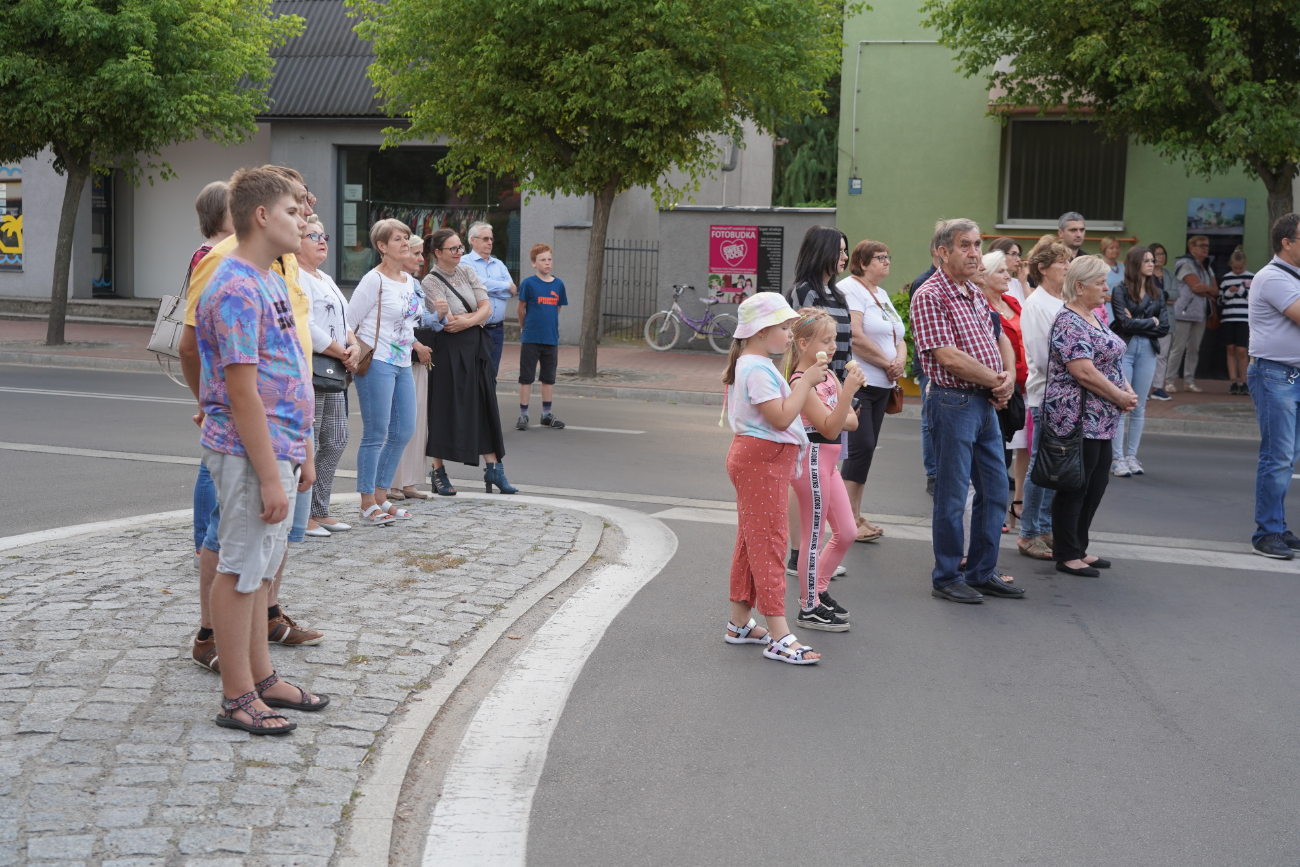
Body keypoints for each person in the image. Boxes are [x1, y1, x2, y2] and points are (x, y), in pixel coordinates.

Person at [193, 165, 328, 733]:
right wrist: (271, 474)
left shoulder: (272, 277)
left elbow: (292, 368)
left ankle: (263, 677)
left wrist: (304, 449)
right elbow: (242, 392)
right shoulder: (234, 285)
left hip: (281, 447)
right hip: (250, 452)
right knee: (240, 567)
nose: (305, 220)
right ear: (262, 216)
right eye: (295, 212)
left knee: (262, 568)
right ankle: (237, 695)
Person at [910, 218, 1024, 603]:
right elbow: (947, 357)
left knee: (995, 491)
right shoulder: (930, 295)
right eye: (965, 245)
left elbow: (997, 337)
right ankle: (946, 577)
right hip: (953, 401)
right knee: (953, 494)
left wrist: (1005, 378)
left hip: (984, 402)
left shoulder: (972, 291)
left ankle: (980, 572)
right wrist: (998, 380)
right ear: (943, 252)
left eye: (977, 244)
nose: (975, 252)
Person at [721, 293, 824, 664]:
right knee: (769, 542)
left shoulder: (752, 363)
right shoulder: (758, 368)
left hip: (759, 460)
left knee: (752, 541)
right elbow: (781, 417)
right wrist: (806, 382)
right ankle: (779, 634)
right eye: (783, 327)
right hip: (761, 462)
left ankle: (739, 622)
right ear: (763, 331)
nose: (788, 333)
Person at [1044, 256, 1138, 576]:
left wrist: (1124, 389)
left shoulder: (1095, 314)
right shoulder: (1069, 321)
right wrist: (1119, 395)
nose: (1106, 287)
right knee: (1075, 486)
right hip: (1077, 417)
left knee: (1095, 484)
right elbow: (1083, 371)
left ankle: (1079, 547)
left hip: (1101, 418)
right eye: (1099, 281)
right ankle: (1066, 552)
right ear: (1079, 286)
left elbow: (1110, 360)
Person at [785, 309, 867, 631]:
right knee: (813, 536)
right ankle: (809, 606)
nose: (833, 347)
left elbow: (851, 422)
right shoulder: (801, 380)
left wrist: (840, 406)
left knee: (847, 532)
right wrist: (847, 394)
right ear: (804, 343)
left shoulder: (828, 375)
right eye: (826, 340)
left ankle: (818, 590)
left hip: (830, 465)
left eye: (834, 339)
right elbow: (832, 428)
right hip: (814, 463)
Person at [422, 228, 516, 494]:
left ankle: (494, 470)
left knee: (484, 405)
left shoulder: (468, 271)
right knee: (443, 409)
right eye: (453, 249)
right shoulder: (430, 281)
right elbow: (448, 322)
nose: (459, 253)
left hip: (476, 348)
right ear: (438, 253)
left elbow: (486, 307)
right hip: (448, 352)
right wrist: (475, 316)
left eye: (461, 247)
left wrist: (473, 318)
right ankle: (438, 472)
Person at [346, 218, 422, 525]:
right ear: (381, 247)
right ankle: (367, 503)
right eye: (398, 239)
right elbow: (349, 323)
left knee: (404, 429)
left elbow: (410, 323)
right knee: (376, 432)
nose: (406, 243)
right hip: (376, 360)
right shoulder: (373, 281)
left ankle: (381, 497)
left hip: (403, 361)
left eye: (406, 237)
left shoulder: (411, 281)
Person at [837, 239, 906, 542]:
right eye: (880, 257)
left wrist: (899, 361)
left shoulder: (881, 294)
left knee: (866, 450)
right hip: (861, 380)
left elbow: (899, 334)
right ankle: (845, 517)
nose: (887, 261)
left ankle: (854, 512)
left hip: (884, 383)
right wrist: (888, 363)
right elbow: (856, 336)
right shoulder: (850, 289)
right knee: (859, 446)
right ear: (862, 263)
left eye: (888, 256)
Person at [296, 216, 361, 535]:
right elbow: (305, 324)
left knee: (336, 439)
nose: (322, 241)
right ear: (297, 242)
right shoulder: (295, 276)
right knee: (311, 438)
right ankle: (302, 515)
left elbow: (345, 317)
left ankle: (321, 509)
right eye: (313, 236)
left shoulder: (324, 276)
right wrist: (340, 350)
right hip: (314, 365)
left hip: (335, 366)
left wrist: (353, 345)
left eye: (324, 235)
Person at [1246, 214, 1300, 560]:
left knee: (1289, 457)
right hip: (1275, 375)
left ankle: (1277, 526)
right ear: (1287, 242)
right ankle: (1266, 532)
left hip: (1290, 375)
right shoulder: (1272, 277)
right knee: (1278, 457)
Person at [1017, 240, 1072, 561]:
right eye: (1061, 263)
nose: (1067, 267)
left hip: (1064, 394)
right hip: (1046, 395)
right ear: (1043, 268)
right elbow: (1040, 356)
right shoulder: (1037, 304)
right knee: (1043, 464)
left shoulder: (1060, 300)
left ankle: (1045, 525)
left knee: (1057, 465)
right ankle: (1028, 532)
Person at [391, 234, 448, 499]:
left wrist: (440, 314)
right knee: (397, 421)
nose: (421, 259)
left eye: (421, 254)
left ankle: (409, 480)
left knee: (416, 420)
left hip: (417, 359)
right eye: (416, 254)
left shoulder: (414, 284)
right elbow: (392, 322)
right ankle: (389, 482)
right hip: (397, 357)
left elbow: (423, 320)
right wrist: (416, 344)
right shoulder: (385, 281)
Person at [978, 250, 1029, 529]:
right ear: (983, 278)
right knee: (993, 458)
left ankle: (998, 513)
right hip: (995, 388)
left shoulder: (1011, 301)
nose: (1007, 275)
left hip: (1019, 388)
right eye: (1001, 271)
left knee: (1008, 452)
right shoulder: (982, 306)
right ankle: (989, 517)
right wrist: (1001, 382)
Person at [1109, 246, 1170, 476]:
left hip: (1149, 351)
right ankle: (1117, 459)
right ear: (1135, 264)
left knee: (1139, 405)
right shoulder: (1119, 290)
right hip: (1125, 348)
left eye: (1152, 260)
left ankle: (1132, 456)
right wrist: (1150, 322)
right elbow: (1123, 324)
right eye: (1146, 260)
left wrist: (1141, 321)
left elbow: (1163, 327)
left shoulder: (1158, 294)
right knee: (1122, 402)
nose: (1151, 263)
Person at [784, 225, 851, 380]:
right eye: (839, 252)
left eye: (845, 251)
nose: (845, 257)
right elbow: (804, 346)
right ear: (823, 253)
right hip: (815, 384)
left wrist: (845, 387)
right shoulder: (804, 292)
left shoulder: (839, 296)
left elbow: (847, 346)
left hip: (837, 386)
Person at [517, 243, 568, 430]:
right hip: (531, 338)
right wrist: (525, 327)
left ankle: (546, 414)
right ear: (533, 263)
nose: (547, 263)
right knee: (526, 377)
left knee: (548, 378)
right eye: (542, 260)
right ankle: (523, 415)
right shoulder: (529, 284)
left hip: (550, 339)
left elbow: (557, 308)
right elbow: (520, 308)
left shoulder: (558, 284)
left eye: (549, 259)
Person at [1166, 235, 1218, 394]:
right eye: (1201, 245)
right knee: (1178, 348)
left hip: (1200, 314)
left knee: (1194, 349)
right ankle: (1169, 381)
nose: (1205, 248)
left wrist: (1208, 290)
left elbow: (1216, 290)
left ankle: (1189, 381)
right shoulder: (1185, 264)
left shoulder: (1207, 267)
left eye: (1207, 245)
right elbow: (1195, 287)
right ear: (1192, 248)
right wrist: (1209, 291)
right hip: (1183, 313)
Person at [464, 221, 515, 376]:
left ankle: (489, 401)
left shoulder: (498, 264)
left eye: (491, 239)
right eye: (485, 239)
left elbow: (512, 290)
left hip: (497, 329)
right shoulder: (465, 262)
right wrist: (503, 285)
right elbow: (476, 285)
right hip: (477, 328)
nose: (490, 242)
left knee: (492, 373)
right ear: (473, 240)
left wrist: (486, 289)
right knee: (475, 374)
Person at [911, 241, 942, 495]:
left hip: (942, 365)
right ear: (938, 251)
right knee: (929, 419)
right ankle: (933, 474)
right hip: (928, 364)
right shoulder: (924, 283)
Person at [1219, 247, 1253, 395]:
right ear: (1231, 265)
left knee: (1242, 350)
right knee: (1230, 349)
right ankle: (1233, 381)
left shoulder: (1251, 277)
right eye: (1234, 268)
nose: (1237, 270)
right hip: (1228, 317)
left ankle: (1244, 381)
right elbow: (1220, 301)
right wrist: (1228, 293)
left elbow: (1253, 299)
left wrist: (1241, 291)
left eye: (1240, 268)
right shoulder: (1226, 278)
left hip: (1244, 318)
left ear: (1245, 264)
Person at [1148, 243, 1177, 401]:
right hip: (1148, 319)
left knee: (1163, 355)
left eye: (1163, 254)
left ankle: (1158, 388)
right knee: (1146, 353)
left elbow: (1175, 294)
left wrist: (1159, 296)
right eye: (1158, 254)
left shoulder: (1169, 274)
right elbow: (1145, 295)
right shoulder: (1145, 273)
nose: (1161, 257)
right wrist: (1165, 297)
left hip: (1166, 320)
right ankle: (1145, 389)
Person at [989, 237, 1028, 302]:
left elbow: (1032, 308)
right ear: (999, 255)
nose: (1018, 259)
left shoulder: (1020, 283)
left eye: (1019, 255)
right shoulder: (990, 283)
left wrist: (1024, 283)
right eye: (1013, 254)